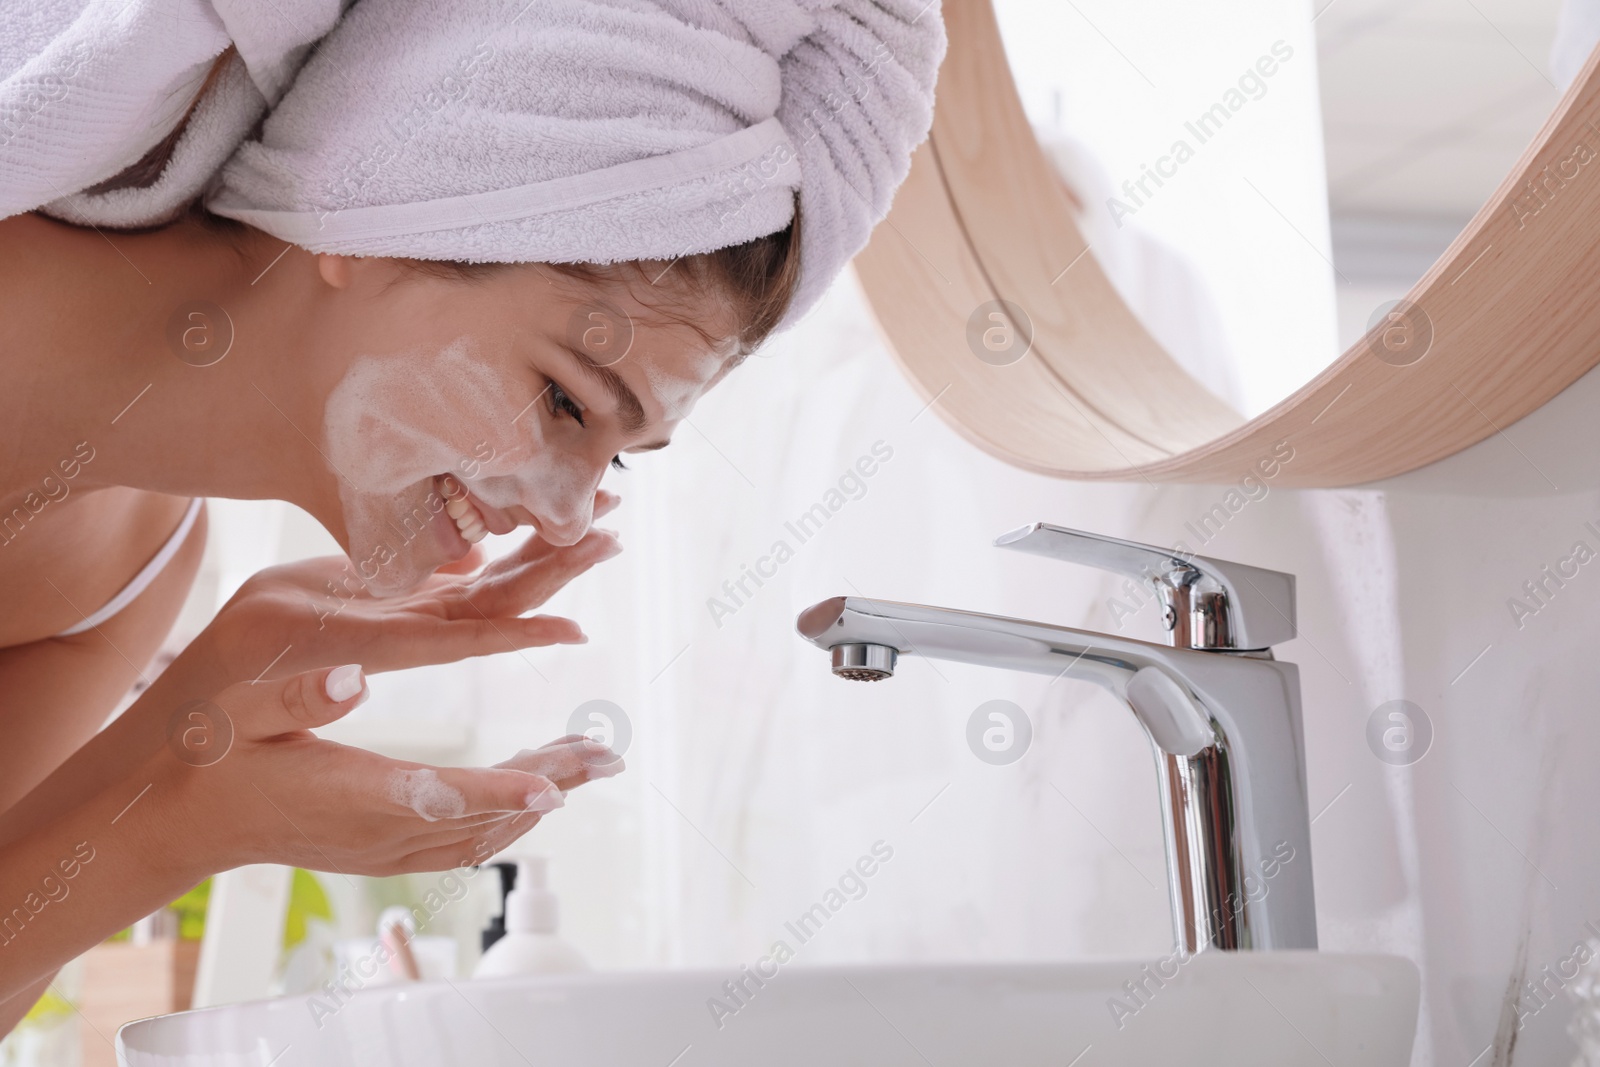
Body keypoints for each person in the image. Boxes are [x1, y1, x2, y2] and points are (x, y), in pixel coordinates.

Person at [0, 0, 945, 1030]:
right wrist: (186, 819)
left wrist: (196, 725)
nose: (567, 514)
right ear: (368, 209)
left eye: (617, 459)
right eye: (565, 400)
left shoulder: (125, 575)